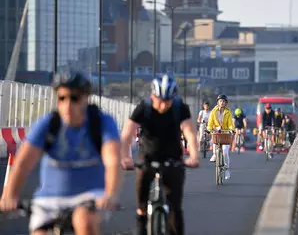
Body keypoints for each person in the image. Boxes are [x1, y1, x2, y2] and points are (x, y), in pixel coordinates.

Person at [0, 72, 122, 235]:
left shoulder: (102, 122)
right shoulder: (48, 124)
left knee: (84, 221)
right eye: (61, 98)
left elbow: (113, 160)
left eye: (74, 98)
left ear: (86, 98)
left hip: (89, 197)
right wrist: (9, 194)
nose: (67, 105)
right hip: (49, 200)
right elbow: (23, 163)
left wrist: (111, 194)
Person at [120, 74, 199, 235]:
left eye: (167, 101)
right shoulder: (144, 108)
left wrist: (194, 156)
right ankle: (142, 224)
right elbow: (127, 134)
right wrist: (125, 157)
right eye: (160, 101)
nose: (163, 106)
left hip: (173, 159)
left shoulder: (180, 108)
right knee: (141, 205)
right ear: (152, 96)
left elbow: (190, 133)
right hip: (147, 158)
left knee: (175, 207)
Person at [207, 94, 235, 179]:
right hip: (217, 133)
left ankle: (227, 170)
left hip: (226, 133)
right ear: (218, 102)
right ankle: (215, 154)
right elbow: (210, 123)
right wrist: (209, 129)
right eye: (220, 101)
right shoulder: (213, 111)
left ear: (226, 103)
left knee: (225, 151)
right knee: (215, 144)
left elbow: (230, 123)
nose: (222, 102)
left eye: (223, 101)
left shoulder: (228, 112)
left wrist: (231, 129)